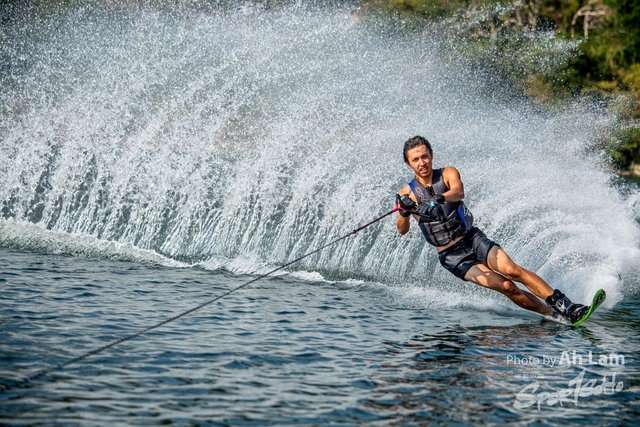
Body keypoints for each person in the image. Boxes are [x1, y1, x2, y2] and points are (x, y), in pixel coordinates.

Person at [395, 135, 588, 323]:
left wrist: (440, 198)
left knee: (511, 270)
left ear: (431, 155)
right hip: (451, 255)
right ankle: (554, 315)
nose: (422, 162)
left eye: (425, 156)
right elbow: (402, 230)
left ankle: (567, 307)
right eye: (415, 159)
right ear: (408, 164)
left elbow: (458, 191)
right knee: (506, 286)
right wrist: (404, 212)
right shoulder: (406, 194)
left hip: (471, 238)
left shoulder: (448, 173)